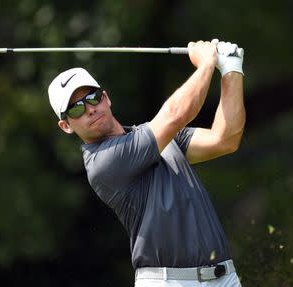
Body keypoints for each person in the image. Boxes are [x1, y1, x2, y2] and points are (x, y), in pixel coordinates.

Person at [48, 39, 245, 286]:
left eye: (93, 97)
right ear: (66, 126)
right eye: (75, 109)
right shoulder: (102, 162)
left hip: (224, 278)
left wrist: (231, 70)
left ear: (106, 98)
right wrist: (206, 63)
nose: (90, 109)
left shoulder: (158, 137)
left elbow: (225, 139)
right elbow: (175, 115)